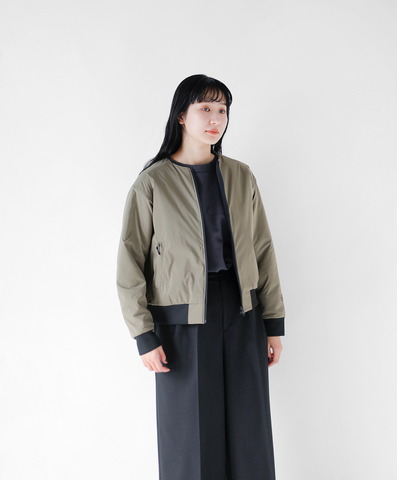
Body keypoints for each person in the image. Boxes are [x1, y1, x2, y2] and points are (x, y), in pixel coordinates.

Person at [116, 74, 285, 480]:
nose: (215, 119)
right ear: (181, 116)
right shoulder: (153, 183)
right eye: (204, 108)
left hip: (242, 312)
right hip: (181, 321)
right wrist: (143, 334)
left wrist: (273, 324)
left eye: (222, 110)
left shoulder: (241, 176)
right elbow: (130, 261)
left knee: (249, 433)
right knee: (191, 441)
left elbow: (262, 248)